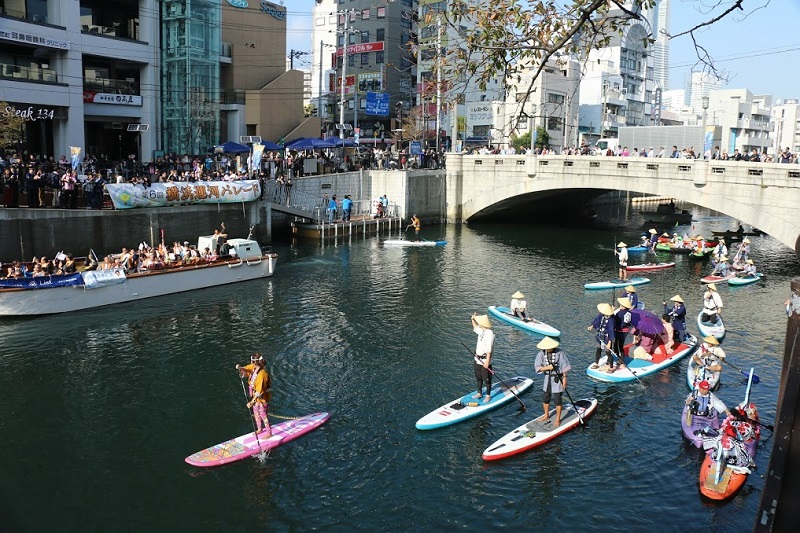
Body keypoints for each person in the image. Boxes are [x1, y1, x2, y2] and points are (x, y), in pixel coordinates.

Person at [534, 336, 571, 427]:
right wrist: (547, 367)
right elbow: (537, 367)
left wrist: (564, 378)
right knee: (546, 399)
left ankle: (558, 418)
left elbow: (564, 366)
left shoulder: (559, 353)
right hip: (547, 379)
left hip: (557, 379)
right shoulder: (541, 354)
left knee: (558, 400)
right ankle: (546, 415)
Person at [236, 353, 272, 436]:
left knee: (263, 414)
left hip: (263, 397)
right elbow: (246, 369)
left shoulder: (262, 374)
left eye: (252, 361)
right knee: (256, 412)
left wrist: (251, 402)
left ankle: (269, 433)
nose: (251, 363)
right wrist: (240, 368)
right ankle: (259, 429)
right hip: (256, 397)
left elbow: (259, 392)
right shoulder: (254, 367)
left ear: (255, 362)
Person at [471, 313, 494, 402]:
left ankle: (488, 395)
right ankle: (479, 392)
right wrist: (472, 319)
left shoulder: (489, 334)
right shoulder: (481, 331)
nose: (478, 323)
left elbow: (489, 349)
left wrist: (487, 361)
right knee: (478, 377)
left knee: (487, 379)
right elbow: (475, 327)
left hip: (485, 360)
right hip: (477, 359)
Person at [588, 303, 617, 372]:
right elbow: (597, 320)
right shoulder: (602, 315)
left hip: (607, 337)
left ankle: (611, 366)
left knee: (608, 352)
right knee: (598, 349)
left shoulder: (611, 320)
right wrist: (592, 326)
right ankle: (597, 363)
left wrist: (610, 342)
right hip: (600, 335)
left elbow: (611, 331)